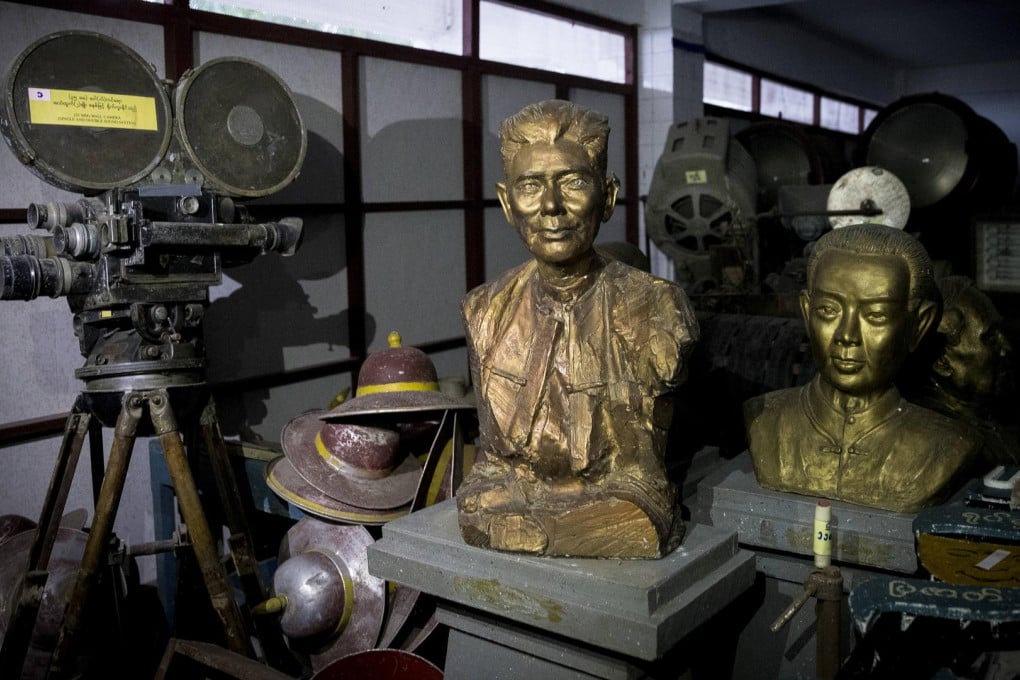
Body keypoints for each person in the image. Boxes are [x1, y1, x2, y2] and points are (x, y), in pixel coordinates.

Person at [456, 100, 699, 558]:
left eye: (572, 182)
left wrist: (535, 527)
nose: (551, 206)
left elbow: (642, 483)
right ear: (507, 203)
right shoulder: (485, 310)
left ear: (607, 197)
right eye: (531, 186)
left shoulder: (657, 308)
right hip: (520, 498)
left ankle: (547, 532)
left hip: (625, 506)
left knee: (638, 522)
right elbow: (489, 469)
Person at [743, 223, 981, 513]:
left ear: (918, 325)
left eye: (876, 315)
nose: (847, 335)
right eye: (828, 310)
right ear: (807, 312)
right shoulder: (765, 421)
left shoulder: (946, 446)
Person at [905, 275, 1019, 465]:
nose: (1006, 347)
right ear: (942, 362)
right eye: (990, 338)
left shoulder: (996, 415)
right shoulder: (939, 446)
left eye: (1000, 331)